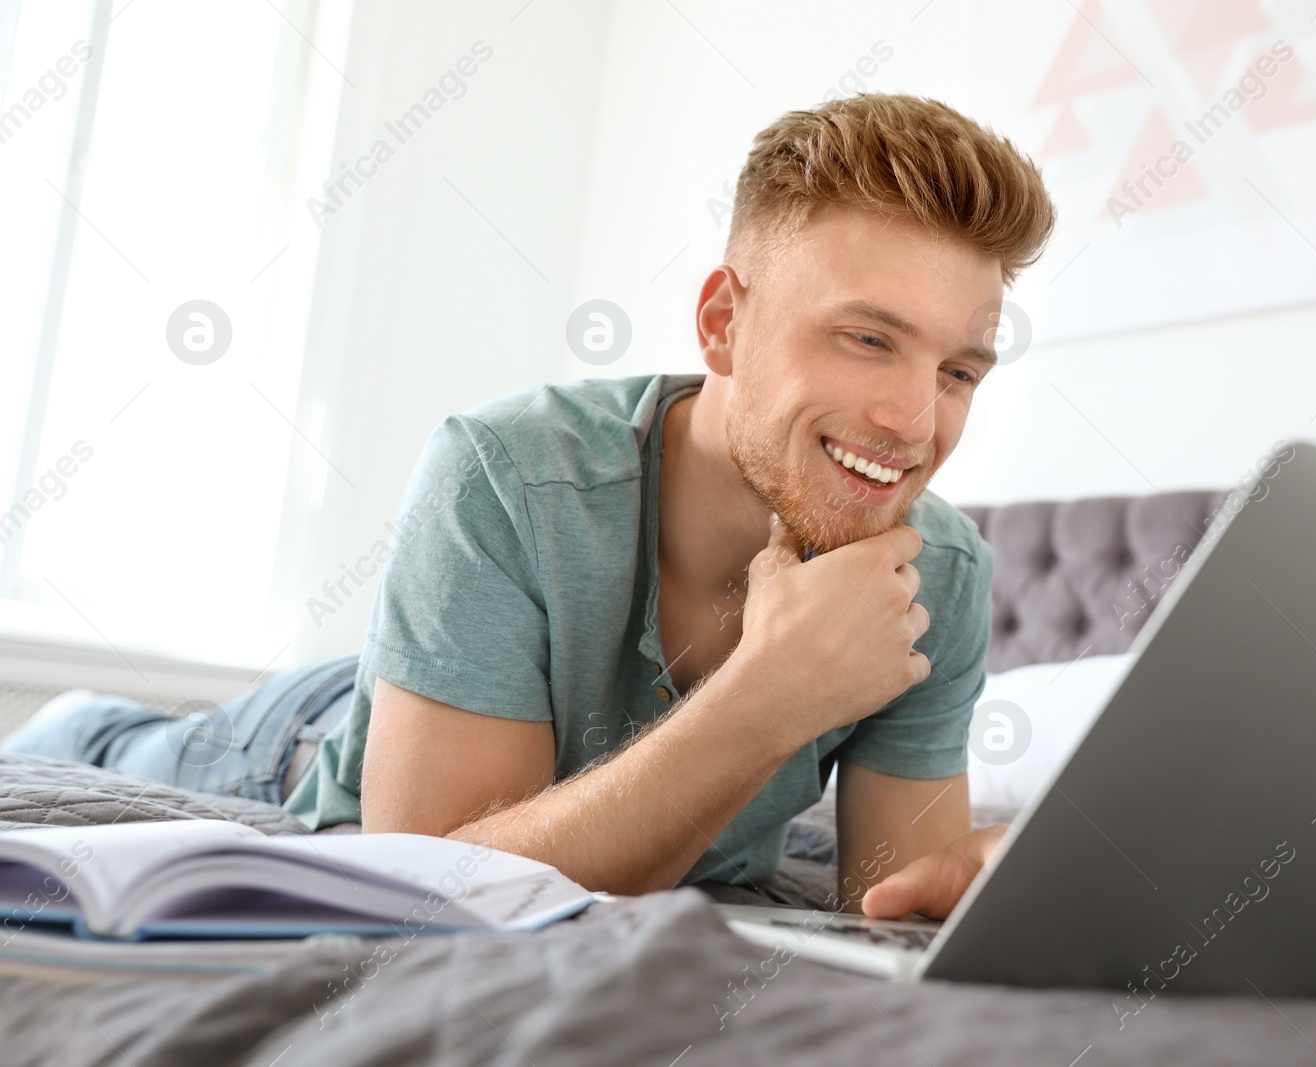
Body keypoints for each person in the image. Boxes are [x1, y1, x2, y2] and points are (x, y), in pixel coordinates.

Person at [6, 92, 1056, 920]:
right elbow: (420, 879)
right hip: (306, 739)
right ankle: (81, 716)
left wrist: (988, 872)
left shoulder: (938, 573)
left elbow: (889, 890)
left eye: (959, 370)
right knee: (102, 738)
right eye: (867, 338)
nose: (915, 421)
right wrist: (767, 695)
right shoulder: (501, 471)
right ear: (724, 322)